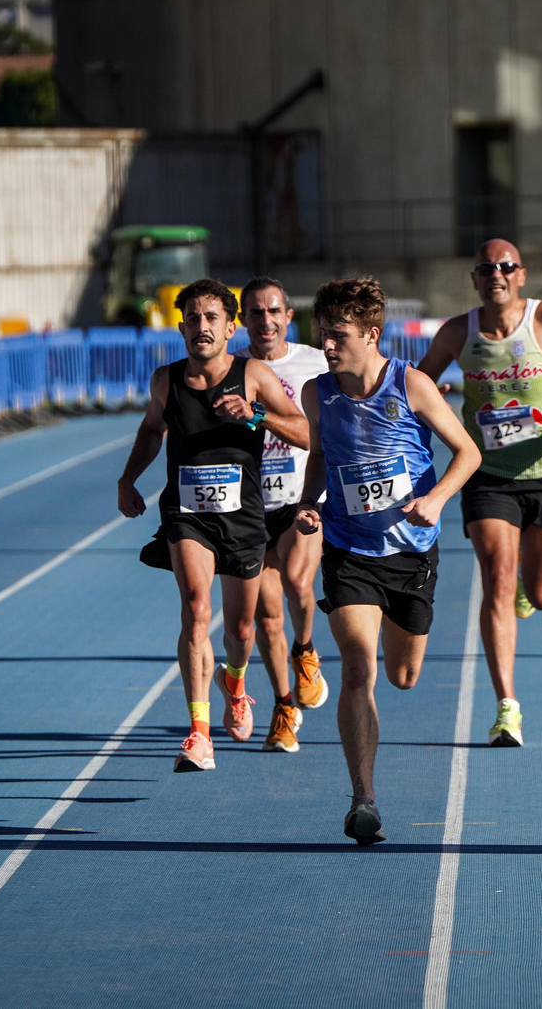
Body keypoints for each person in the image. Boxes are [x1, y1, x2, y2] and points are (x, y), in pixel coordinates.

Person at [292, 276, 481, 843]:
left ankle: (366, 785)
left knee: (402, 676)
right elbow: (320, 456)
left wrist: (436, 499)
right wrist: (308, 503)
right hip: (349, 550)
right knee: (357, 668)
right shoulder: (317, 393)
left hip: (410, 552)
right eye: (322, 334)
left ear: (372, 334)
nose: (327, 345)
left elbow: (467, 452)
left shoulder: (411, 384)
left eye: (339, 335)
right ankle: (363, 800)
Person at [416, 239, 542, 747]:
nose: (496, 274)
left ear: (521, 275)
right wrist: (433, 402)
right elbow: (418, 383)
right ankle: (507, 706)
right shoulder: (457, 331)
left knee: (540, 596)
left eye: (506, 267)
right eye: (486, 268)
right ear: (475, 279)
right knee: (497, 577)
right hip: (489, 475)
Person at [116, 278, 309, 774]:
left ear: (229, 328)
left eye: (211, 318)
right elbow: (151, 430)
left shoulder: (254, 375)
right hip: (188, 516)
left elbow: (306, 432)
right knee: (197, 610)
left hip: (243, 518)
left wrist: (256, 414)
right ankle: (199, 735)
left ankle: (235, 683)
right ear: (181, 328)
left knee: (241, 630)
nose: (201, 326)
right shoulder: (166, 380)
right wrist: (128, 479)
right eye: (193, 319)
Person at [237, 277, 331, 752]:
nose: (266, 320)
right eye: (256, 312)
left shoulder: (314, 362)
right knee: (269, 619)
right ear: (242, 320)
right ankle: (283, 707)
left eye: (274, 310)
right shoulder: (232, 369)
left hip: (302, 498)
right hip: (251, 507)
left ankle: (306, 649)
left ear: (289, 316)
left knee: (297, 582)